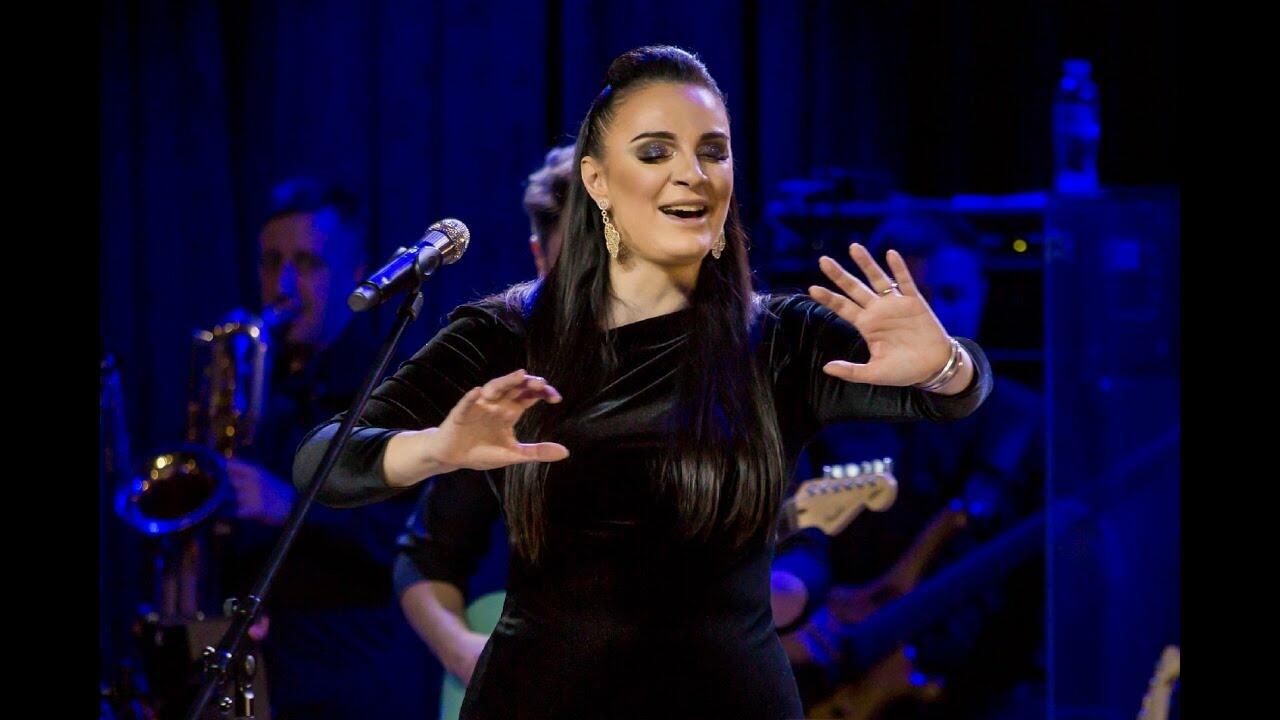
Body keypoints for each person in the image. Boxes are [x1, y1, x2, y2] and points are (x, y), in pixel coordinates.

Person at [294, 46, 992, 719]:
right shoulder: (504, 335)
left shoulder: (781, 339)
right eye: (657, 152)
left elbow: (955, 393)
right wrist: (436, 449)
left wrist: (946, 364)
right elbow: (322, 463)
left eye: (712, 151)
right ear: (597, 180)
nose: (693, 174)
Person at [394, 144, 832, 696]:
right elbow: (425, 559)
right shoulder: (513, 394)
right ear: (539, 258)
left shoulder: (742, 378)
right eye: (579, 264)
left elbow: (807, 552)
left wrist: (774, 592)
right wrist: (466, 655)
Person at [792, 211, 1045, 718]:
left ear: (983, 294)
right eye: (918, 299)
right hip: (830, 682)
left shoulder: (1027, 422)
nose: (935, 318)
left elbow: (1042, 593)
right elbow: (783, 532)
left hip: (980, 696)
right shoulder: (821, 408)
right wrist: (796, 609)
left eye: (952, 295)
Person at [228, 178, 439, 719]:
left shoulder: (392, 383)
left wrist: (287, 506)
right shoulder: (259, 382)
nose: (283, 286)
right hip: (270, 675)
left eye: (308, 264)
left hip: (357, 681)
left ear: (354, 273)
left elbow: (406, 540)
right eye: (271, 263)